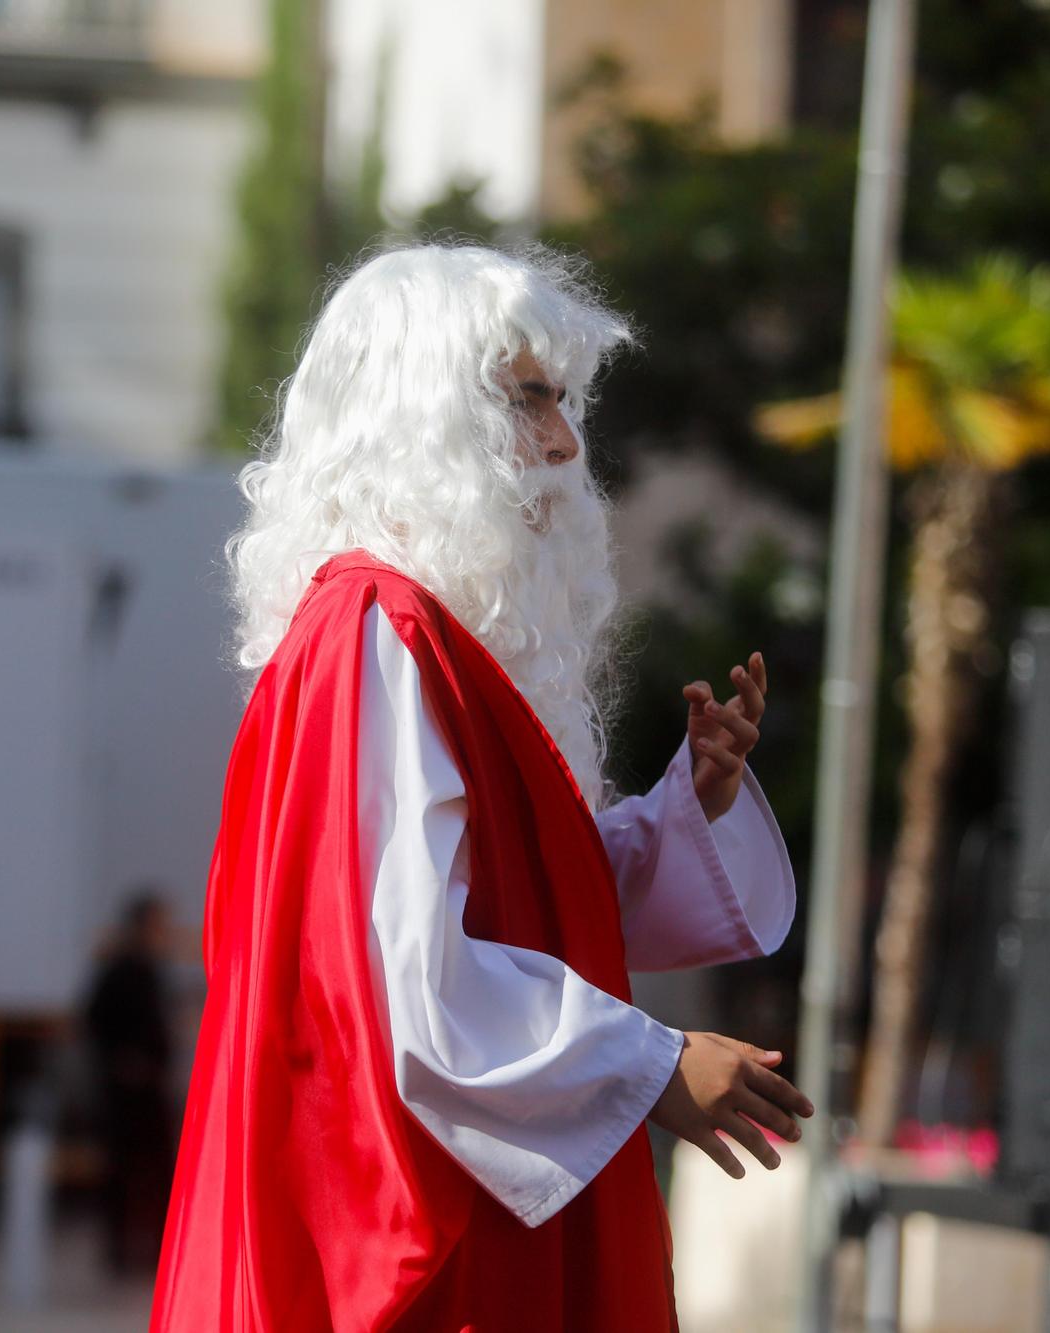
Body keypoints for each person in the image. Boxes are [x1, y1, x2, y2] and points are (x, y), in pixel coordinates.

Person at [153, 243, 813, 1331]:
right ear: (422, 417)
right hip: (429, 1240)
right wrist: (651, 1064)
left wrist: (682, 802)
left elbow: (532, 905)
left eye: (561, 406)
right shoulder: (377, 633)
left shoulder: (416, 642)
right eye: (527, 401)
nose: (562, 443)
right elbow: (402, 979)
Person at [83, 892, 178, 1276]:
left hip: (151, 1091)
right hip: (123, 1094)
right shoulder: (118, 972)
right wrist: (123, 1062)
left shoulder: (154, 972)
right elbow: (96, 1024)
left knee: (157, 1171)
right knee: (122, 1172)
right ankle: (121, 1251)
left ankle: (157, 1247)